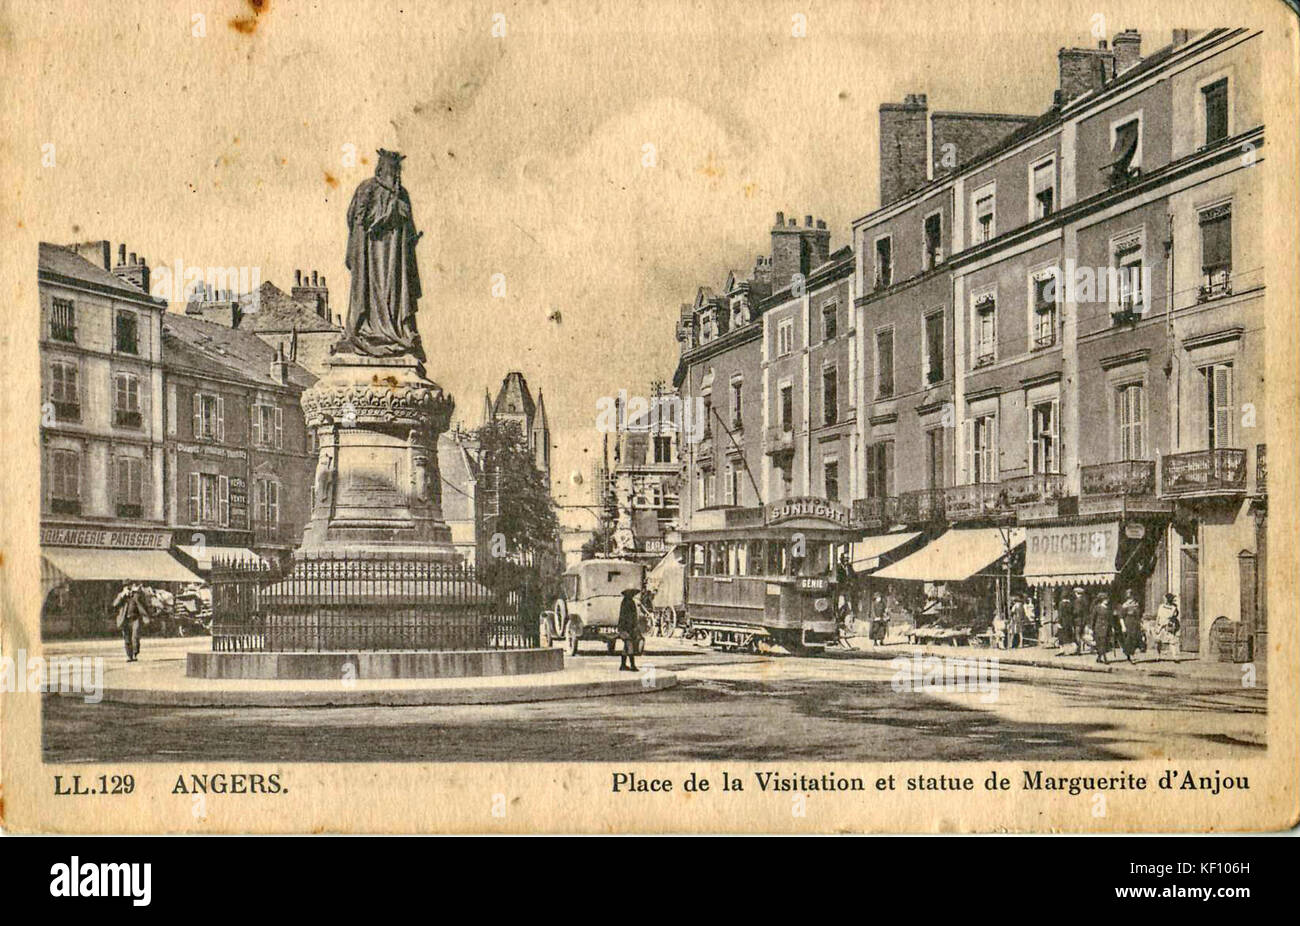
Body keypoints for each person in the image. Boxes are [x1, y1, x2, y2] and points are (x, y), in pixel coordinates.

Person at [112, 581, 151, 662]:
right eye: (126, 586)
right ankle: (129, 656)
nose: (128, 587)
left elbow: (144, 602)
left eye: (129, 585)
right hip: (125, 619)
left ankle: (135, 653)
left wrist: (137, 592)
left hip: (135, 618)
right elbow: (115, 604)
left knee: (135, 636)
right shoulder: (121, 595)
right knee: (127, 638)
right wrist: (122, 595)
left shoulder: (137, 594)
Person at [617, 588, 641, 671]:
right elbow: (630, 618)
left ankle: (623, 665)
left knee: (626, 647)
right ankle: (632, 665)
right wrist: (632, 628)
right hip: (627, 628)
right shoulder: (629, 602)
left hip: (624, 628)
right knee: (630, 646)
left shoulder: (625, 602)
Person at [1118, 588, 1143, 663]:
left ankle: (1131, 654)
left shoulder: (1136, 605)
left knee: (1135, 639)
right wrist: (1123, 626)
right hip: (1128, 624)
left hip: (1136, 624)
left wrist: (1141, 624)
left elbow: (1139, 615)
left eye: (1132, 597)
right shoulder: (1125, 605)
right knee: (1129, 640)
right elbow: (1121, 617)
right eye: (1129, 597)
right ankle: (1130, 655)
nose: (1131, 599)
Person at [1154, 593, 1181, 659]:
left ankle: (1175, 656)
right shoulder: (1161, 606)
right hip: (1160, 626)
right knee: (1158, 641)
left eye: (1165, 599)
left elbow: (1174, 617)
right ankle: (1158, 655)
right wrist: (1156, 625)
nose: (1164, 600)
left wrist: (1172, 624)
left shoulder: (1173, 608)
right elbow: (1158, 616)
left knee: (1172, 641)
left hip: (1168, 626)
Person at [1090, 590, 1113, 664]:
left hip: (1107, 628)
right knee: (1101, 643)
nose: (1107, 601)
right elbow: (1093, 618)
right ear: (1101, 600)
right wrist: (1091, 628)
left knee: (1105, 643)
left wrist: (1112, 627)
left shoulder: (1108, 608)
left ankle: (1099, 658)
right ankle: (1105, 659)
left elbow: (1110, 619)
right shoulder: (1097, 608)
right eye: (1105, 599)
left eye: (1107, 599)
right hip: (1099, 627)